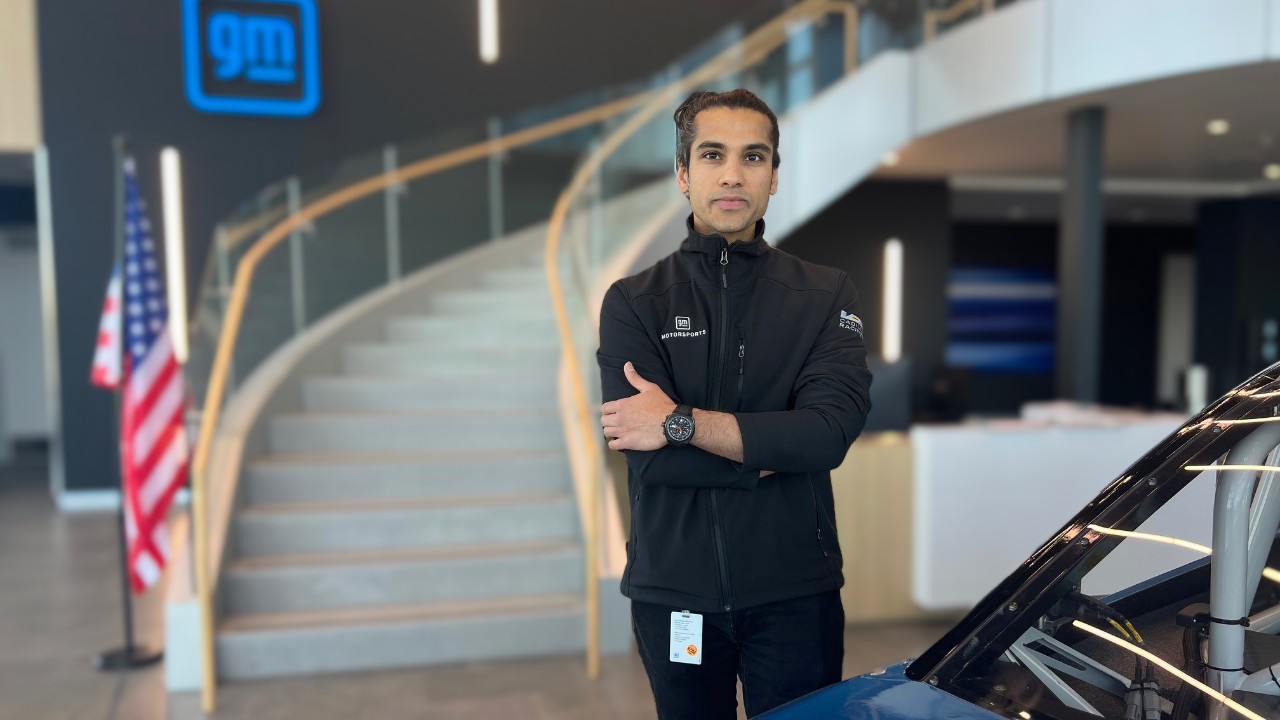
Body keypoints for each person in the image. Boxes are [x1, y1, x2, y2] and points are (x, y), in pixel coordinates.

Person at [597, 88, 873, 719]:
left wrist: (677, 422)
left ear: (773, 177)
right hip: (674, 594)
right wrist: (774, 450)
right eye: (712, 154)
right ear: (683, 174)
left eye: (753, 157)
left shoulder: (825, 294)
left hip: (795, 593)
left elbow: (827, 435)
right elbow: (648, 458)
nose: (732, 174)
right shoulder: (634, 301)